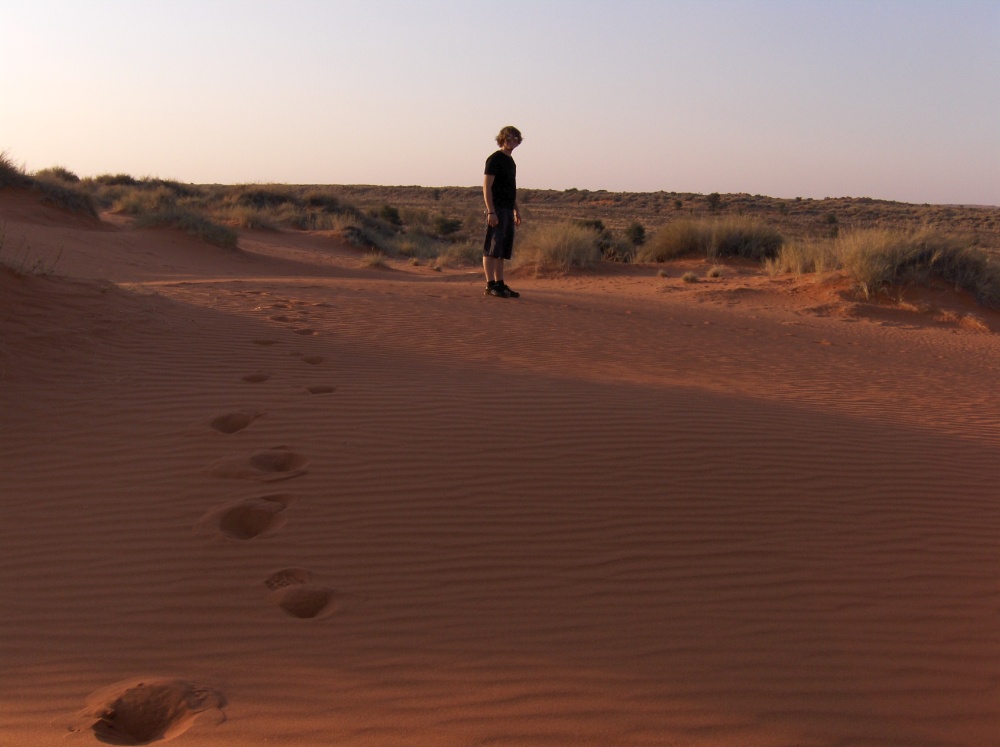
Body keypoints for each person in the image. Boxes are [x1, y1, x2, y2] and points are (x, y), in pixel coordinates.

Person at [483, 126, 522, 298]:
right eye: (509, 138)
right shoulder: (495, 159)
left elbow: (511, 189)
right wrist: (491, 211)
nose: (512, 141)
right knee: (492, 248)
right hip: (497, 209)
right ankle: (490, 285)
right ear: (502, 139)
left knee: (502, 250)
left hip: (507, 209)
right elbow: (486, 187)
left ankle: (500, 284)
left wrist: (516, 211)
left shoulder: (511, 161)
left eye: (515, 139)